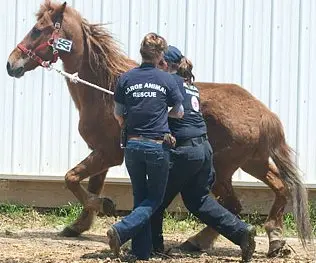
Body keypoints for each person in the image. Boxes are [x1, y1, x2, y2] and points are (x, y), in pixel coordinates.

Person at [150, 45, 256, 262]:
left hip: (184, 151)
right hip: (203, 151)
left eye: (158, 63)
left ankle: (154, 246)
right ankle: (242, 232)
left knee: (157, 199)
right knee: (198, 201)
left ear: (165, 64)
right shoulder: (191, 87)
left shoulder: (168, 83)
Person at [107, 34, 184, 260]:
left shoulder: (126, 78)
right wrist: (163, 114)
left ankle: (141, 253)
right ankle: (121, 231)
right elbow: (179, 112)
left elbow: (118, 115)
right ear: (161, 55)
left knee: (141, 198)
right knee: (155, 200)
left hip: (132, 145)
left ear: (141, 51)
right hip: (156, 146)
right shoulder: (166, 79)